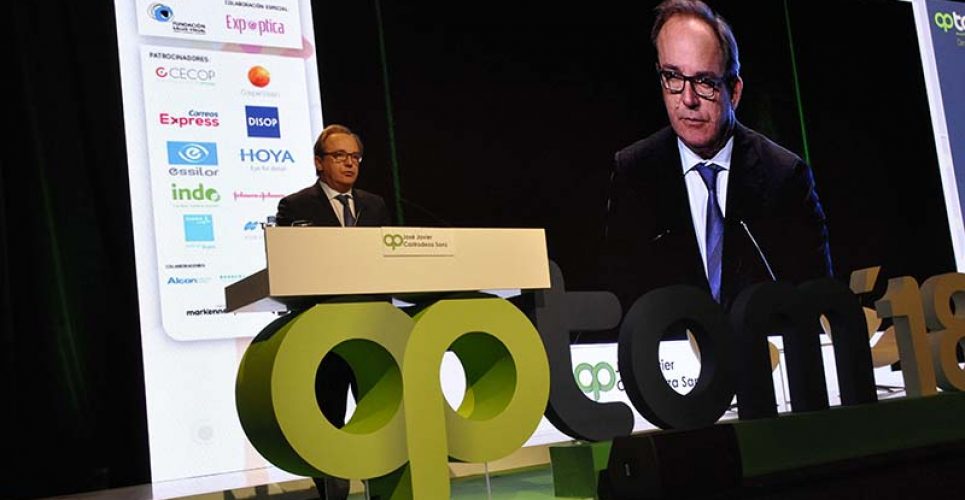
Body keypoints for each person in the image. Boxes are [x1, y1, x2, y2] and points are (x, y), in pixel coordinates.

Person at [603, 0, 832, 315]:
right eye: (673, 77)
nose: (688, 99)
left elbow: (816, 302)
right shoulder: (634, 172)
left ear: (734, 91)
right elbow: (621, 300)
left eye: (705, 82)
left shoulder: (784, 176)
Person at [274, 124, 391, 500]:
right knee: (329, 418)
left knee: (383, 415)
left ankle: (383, 488)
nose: (349, 163)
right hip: (325, 334)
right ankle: (332, 492)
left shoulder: (375, 205)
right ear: (319, 162)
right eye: (340, 155)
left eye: (355, 156)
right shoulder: (295, 206)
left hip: (374, 330)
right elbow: (292, 268)